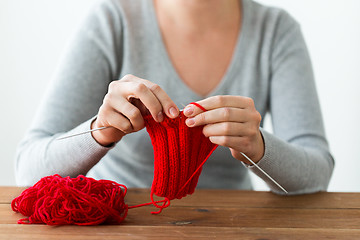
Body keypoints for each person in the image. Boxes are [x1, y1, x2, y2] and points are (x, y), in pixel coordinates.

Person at [15, 0, 334, 194]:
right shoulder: (112, 20)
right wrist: (101, 130)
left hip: (231, 227)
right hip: (118, 225)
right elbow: (28, 170)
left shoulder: (276, 31)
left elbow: (317, 173)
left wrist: (258, 146)